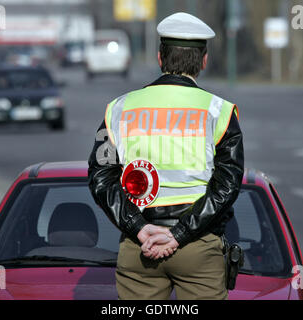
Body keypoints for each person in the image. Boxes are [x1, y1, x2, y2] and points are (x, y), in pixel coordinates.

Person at [88, 12, 244, 300]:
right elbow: (228, 185)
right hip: (198, 248)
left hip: (139, 248)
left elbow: (100, 177)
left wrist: (140, 228)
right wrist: (180, 235)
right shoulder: (219, 112)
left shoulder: (119, 109)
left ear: (160, 58)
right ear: (204, 61)